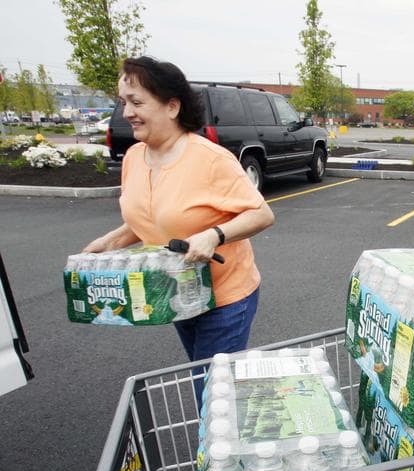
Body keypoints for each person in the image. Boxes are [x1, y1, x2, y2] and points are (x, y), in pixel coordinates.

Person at [83, 56, 274, 365]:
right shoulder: (133, 158)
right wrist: (108, 244)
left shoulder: (210, 160)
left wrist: (214, 235)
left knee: (211, 390)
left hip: (226, 298)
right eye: (123, 103)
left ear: (172, 107)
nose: (127, 112)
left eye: (137, 102)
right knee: (205, 379)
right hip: (181, 292)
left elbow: (261, 214)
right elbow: (151, 216)